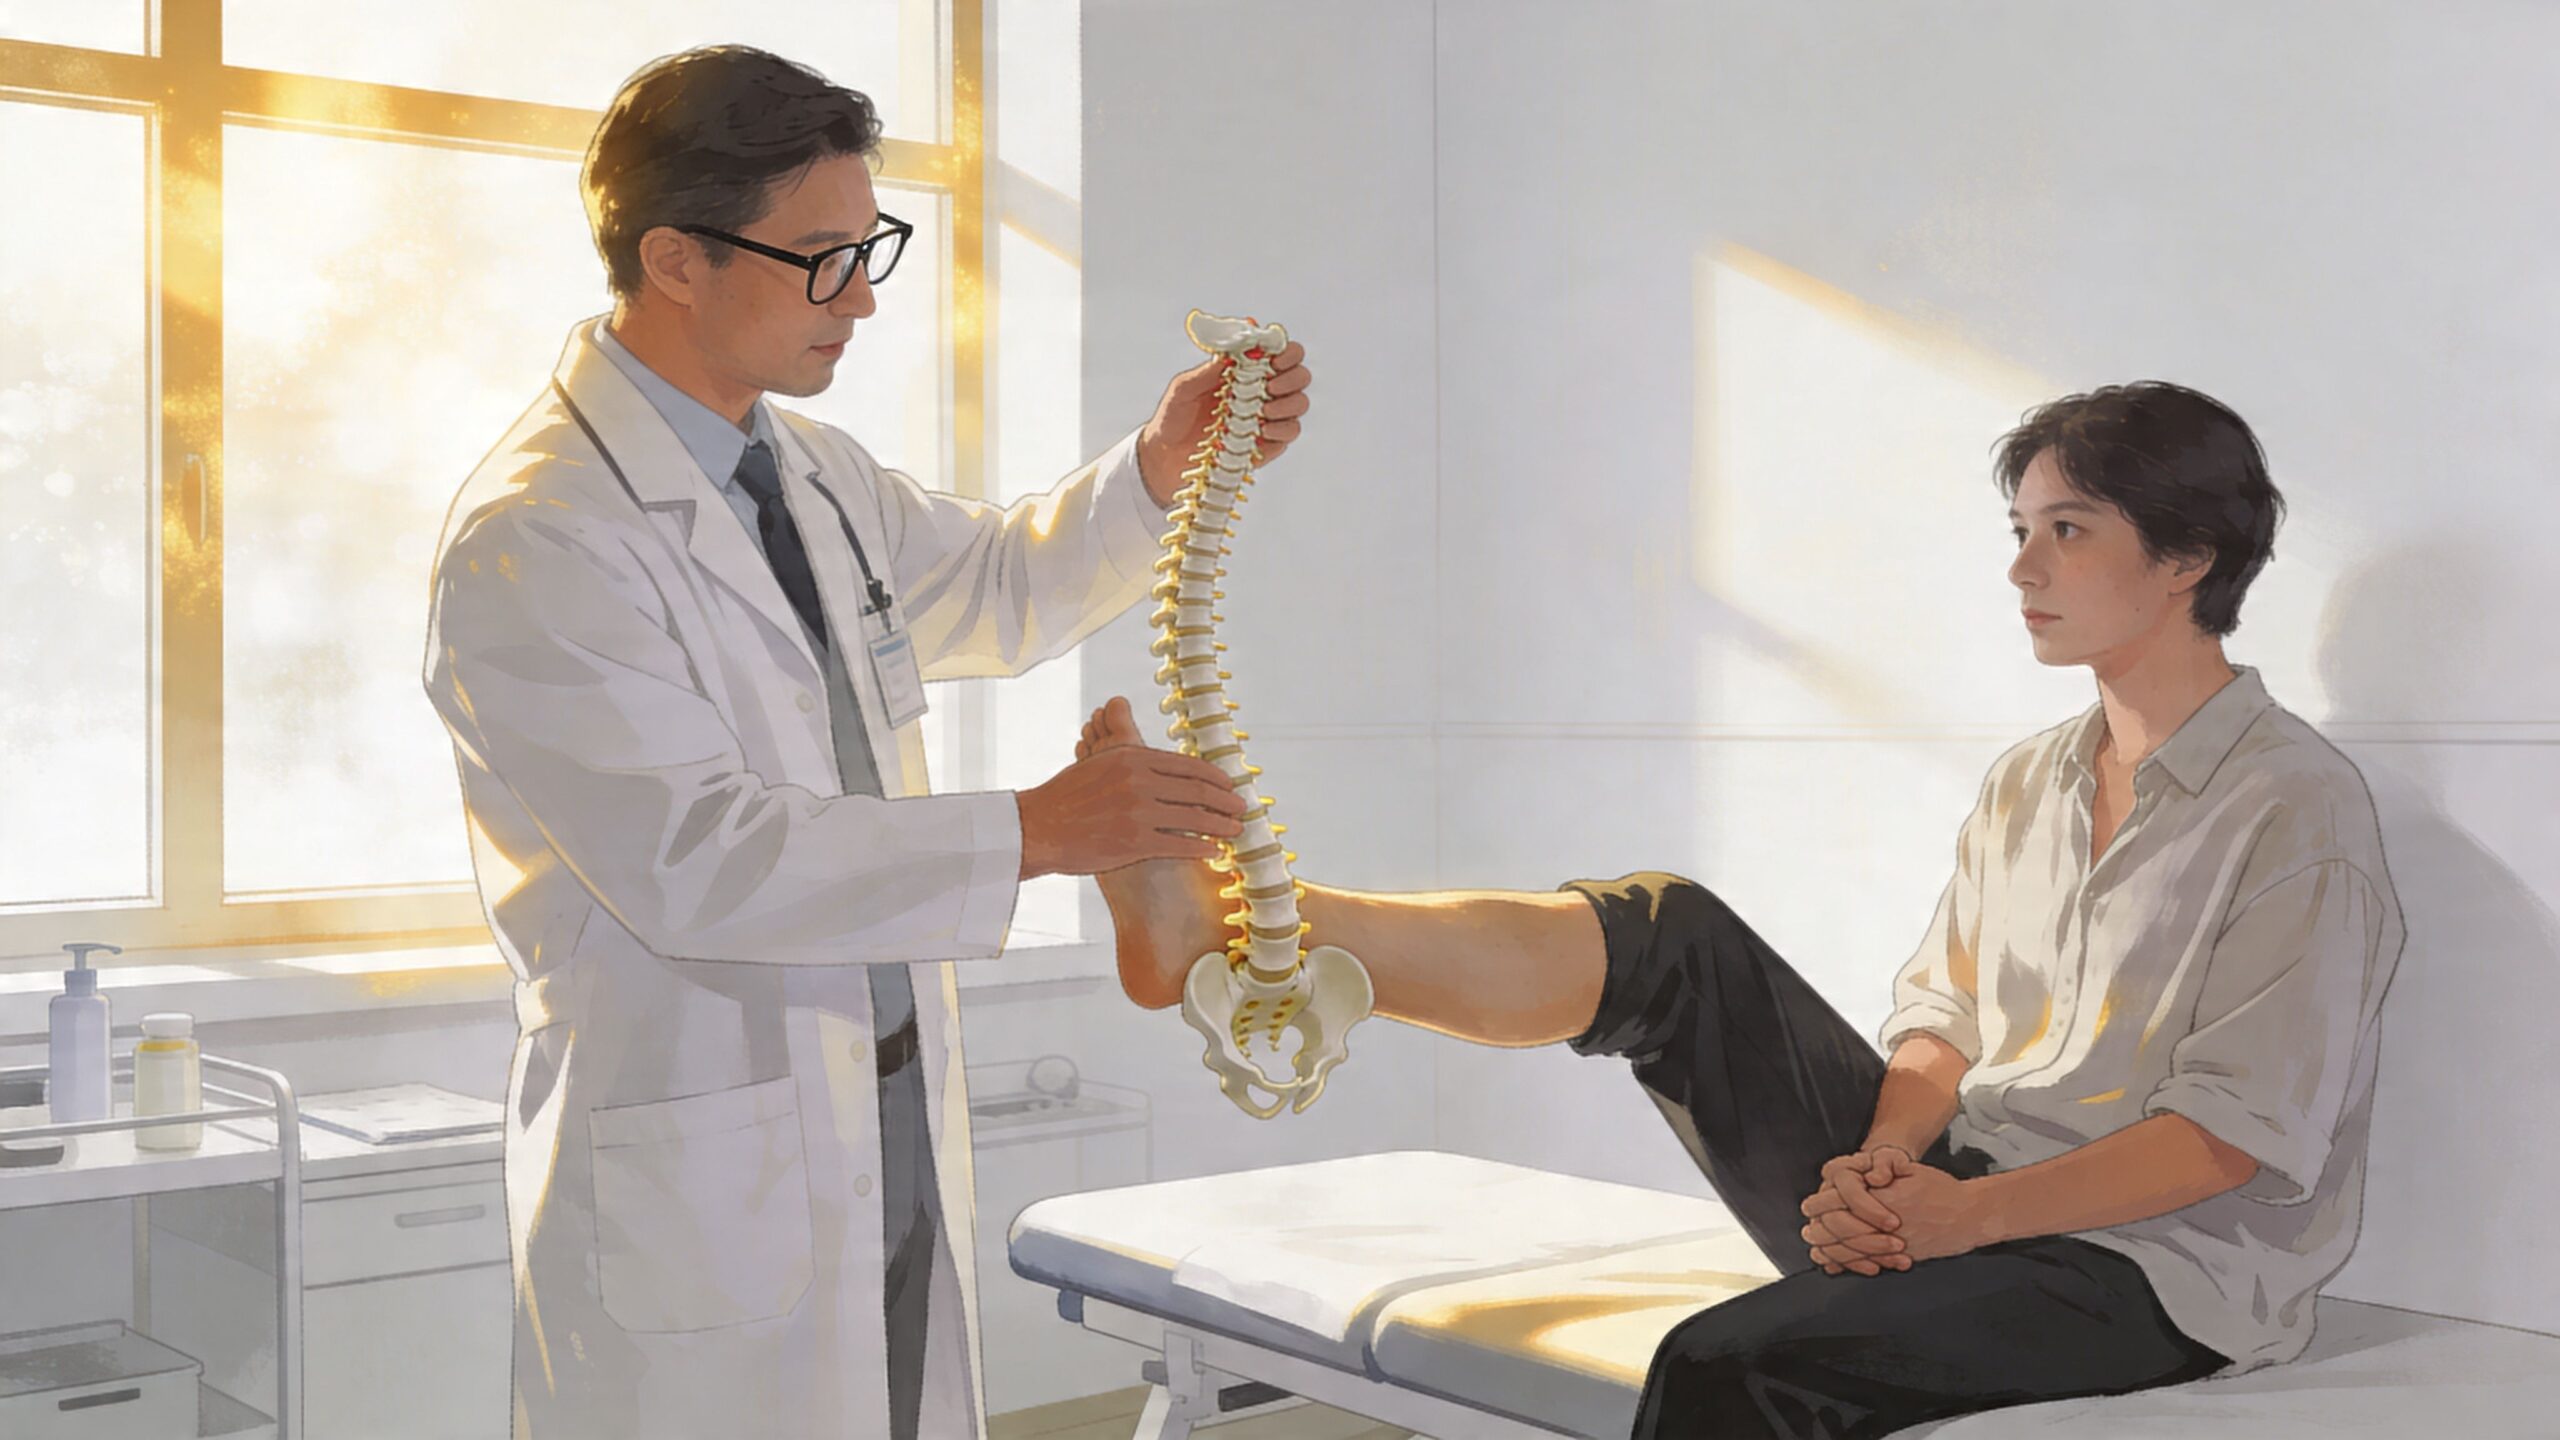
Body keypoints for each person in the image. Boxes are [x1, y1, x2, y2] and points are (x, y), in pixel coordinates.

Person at [1092, 382, 2403, 1439]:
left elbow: (2225, 1143)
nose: (2023, 570)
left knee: (1727, 1370)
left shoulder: (2296, 810)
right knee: (1673, 932)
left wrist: (1957, 1219)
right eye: (2019, 530)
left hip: (2149, 1270)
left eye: (2068, 531)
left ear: (2189, 555)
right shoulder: (2032, 779)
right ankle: (1263, 926)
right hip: (1957, 1193)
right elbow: (1940, 1018)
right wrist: (1889, 1160)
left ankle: (1253, 925)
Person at [421, 45, 1309, 1440]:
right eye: (826, 258)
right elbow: (695, 859)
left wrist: (1160, 463)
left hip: (878, 1118)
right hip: (698, 1170)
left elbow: (1002, 588)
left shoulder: (813, 476)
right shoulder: (542, 536)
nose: (869, 294)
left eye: (870, 245)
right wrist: (1039, 831)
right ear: (677, 260)